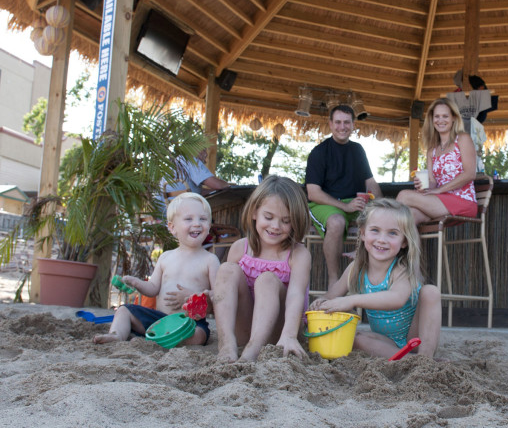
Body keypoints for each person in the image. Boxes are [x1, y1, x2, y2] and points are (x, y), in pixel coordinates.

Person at [309, 199, 441, 358]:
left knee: (430, 291)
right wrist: (320, 301)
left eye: (392, 233)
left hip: (413, 338)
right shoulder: (355, 269)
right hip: (385, 342)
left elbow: (396, 298)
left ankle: (425, 357)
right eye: (375, 230)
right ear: (363, 233)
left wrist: (352, 300)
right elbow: (331, 296)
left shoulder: (401, 270)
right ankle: (407, 359)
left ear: (404, 241)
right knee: (355, 338)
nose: (382, 239)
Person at [93, 192, 219, 345]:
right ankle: (116, 335)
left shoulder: (210, 260)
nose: (197, 223)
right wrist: (137, 283)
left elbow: (217, 296)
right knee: (123, 310)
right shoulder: (166, 257)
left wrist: (193, 297)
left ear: (209, 226)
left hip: (190, 321)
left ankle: (169, 341)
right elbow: (153, 288)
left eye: (203, 219)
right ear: (172, 228)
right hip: (159, 320)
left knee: (199, 334)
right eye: (188, 219)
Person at [213, 175, 312, 362]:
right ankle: (226, 345)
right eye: (269, 217)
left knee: (267, 279)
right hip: (243, 329)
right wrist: (207, 297)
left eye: (285, 220)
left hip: (279, 335)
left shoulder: (298, 254)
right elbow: (226, 291)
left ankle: (253, 352)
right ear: (254, 213)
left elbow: (296, 295)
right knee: (227, 269)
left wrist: (290, 335)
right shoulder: (239, 248)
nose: (275, 226)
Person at [305, 104, 383, 289]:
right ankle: (335, 281)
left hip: (353, 203)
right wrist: (345, 207)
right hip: (323, 204)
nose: (342, 126)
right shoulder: (319, 152)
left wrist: (382, 206)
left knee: (382, 220)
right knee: (337, 222)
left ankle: (377, 283)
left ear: (353, 125)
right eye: (338, 122)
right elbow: (313, 193)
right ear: (330, 124)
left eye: (346, 122)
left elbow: (370, 182)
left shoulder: (358, 150)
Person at [397, 98, 477, 225]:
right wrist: (423, 186)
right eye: (437, 116)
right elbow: (433, 182)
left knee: (403, 196)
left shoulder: (462, 139)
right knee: (410, 216)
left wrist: (439, 190)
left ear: (454, 118)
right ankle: (409, 245)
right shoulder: (432, 150)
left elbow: (470, 174)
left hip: (463, 200)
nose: (440, 120)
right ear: (432, 119)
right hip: (440, 201)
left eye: (445, 116)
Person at [164, 148, 229, 200]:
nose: (206, 154)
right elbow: (218, 185)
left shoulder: (177, 162)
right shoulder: (191, 160)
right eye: (204, 150)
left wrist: (215, 191)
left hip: (163, 211)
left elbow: (196, 192)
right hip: (180, 210)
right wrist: (229, 186)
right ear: (196, 150)